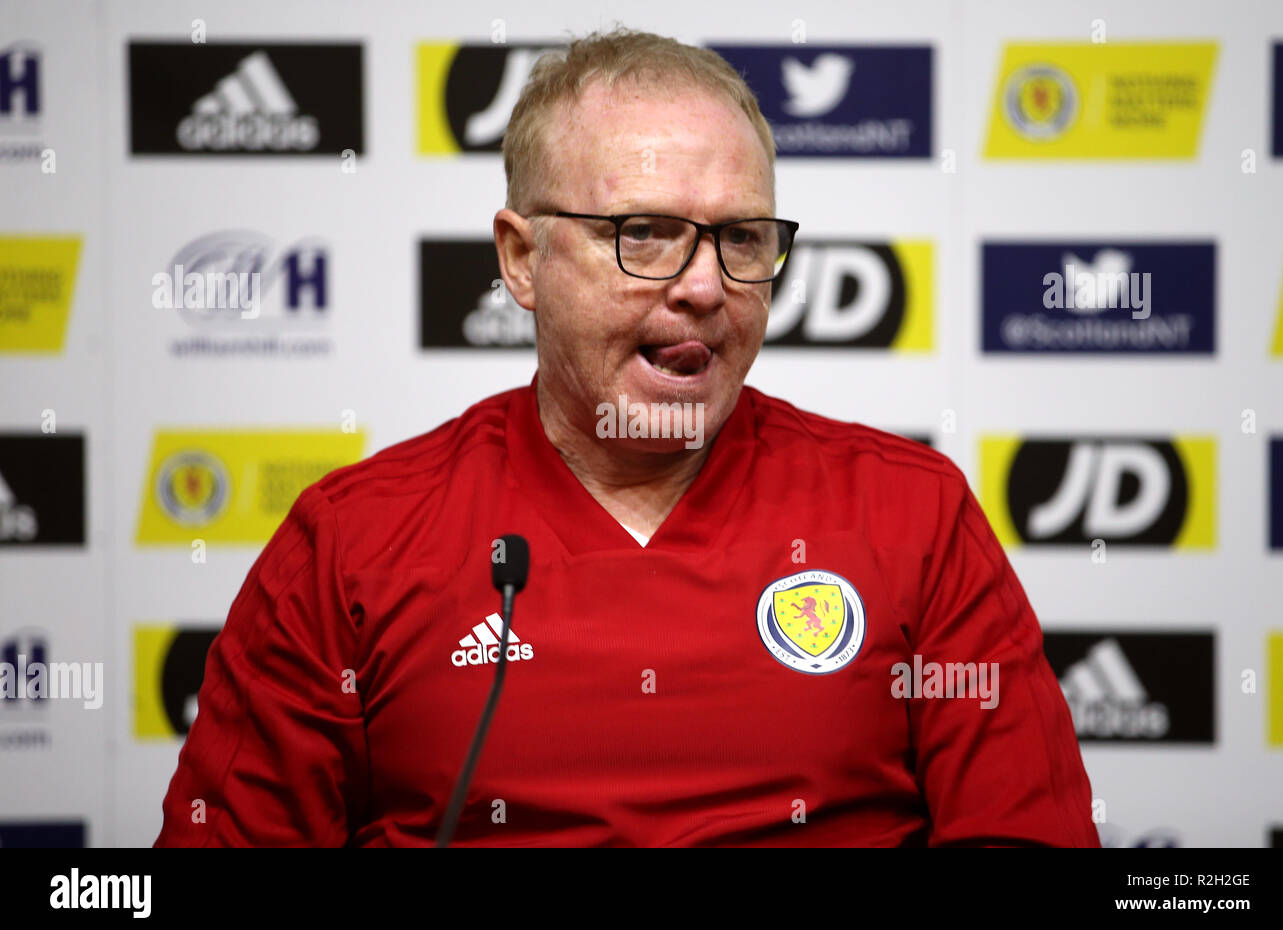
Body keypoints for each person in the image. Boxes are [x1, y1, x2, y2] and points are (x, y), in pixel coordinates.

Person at [155, 27, 1100, 847]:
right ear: (523, 259)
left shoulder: (910, 514)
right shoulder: (352, 545)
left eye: (742, 239)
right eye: (643, 234)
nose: (701, 285)